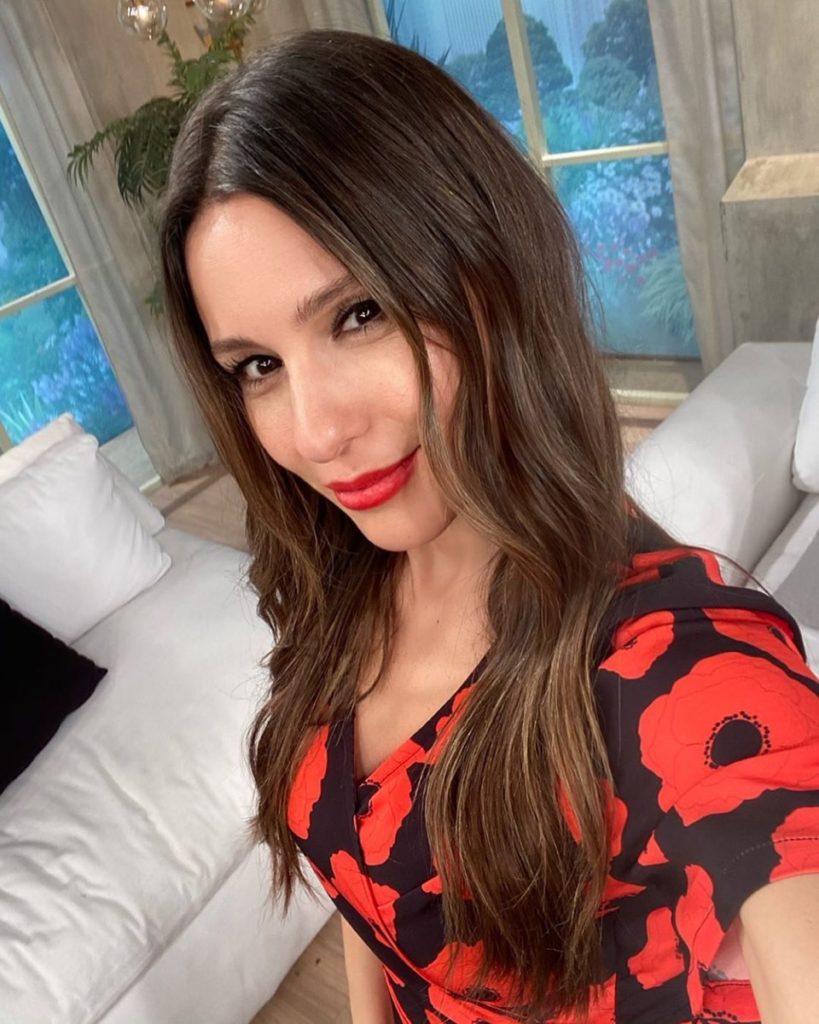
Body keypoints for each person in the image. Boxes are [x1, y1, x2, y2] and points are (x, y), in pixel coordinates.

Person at [159, 30, 819, 1024]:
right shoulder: (342, 582)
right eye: (259, 365)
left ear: (491, 278)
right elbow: (369, 887)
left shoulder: (674, 668)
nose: (315, 431)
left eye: (360, 314)